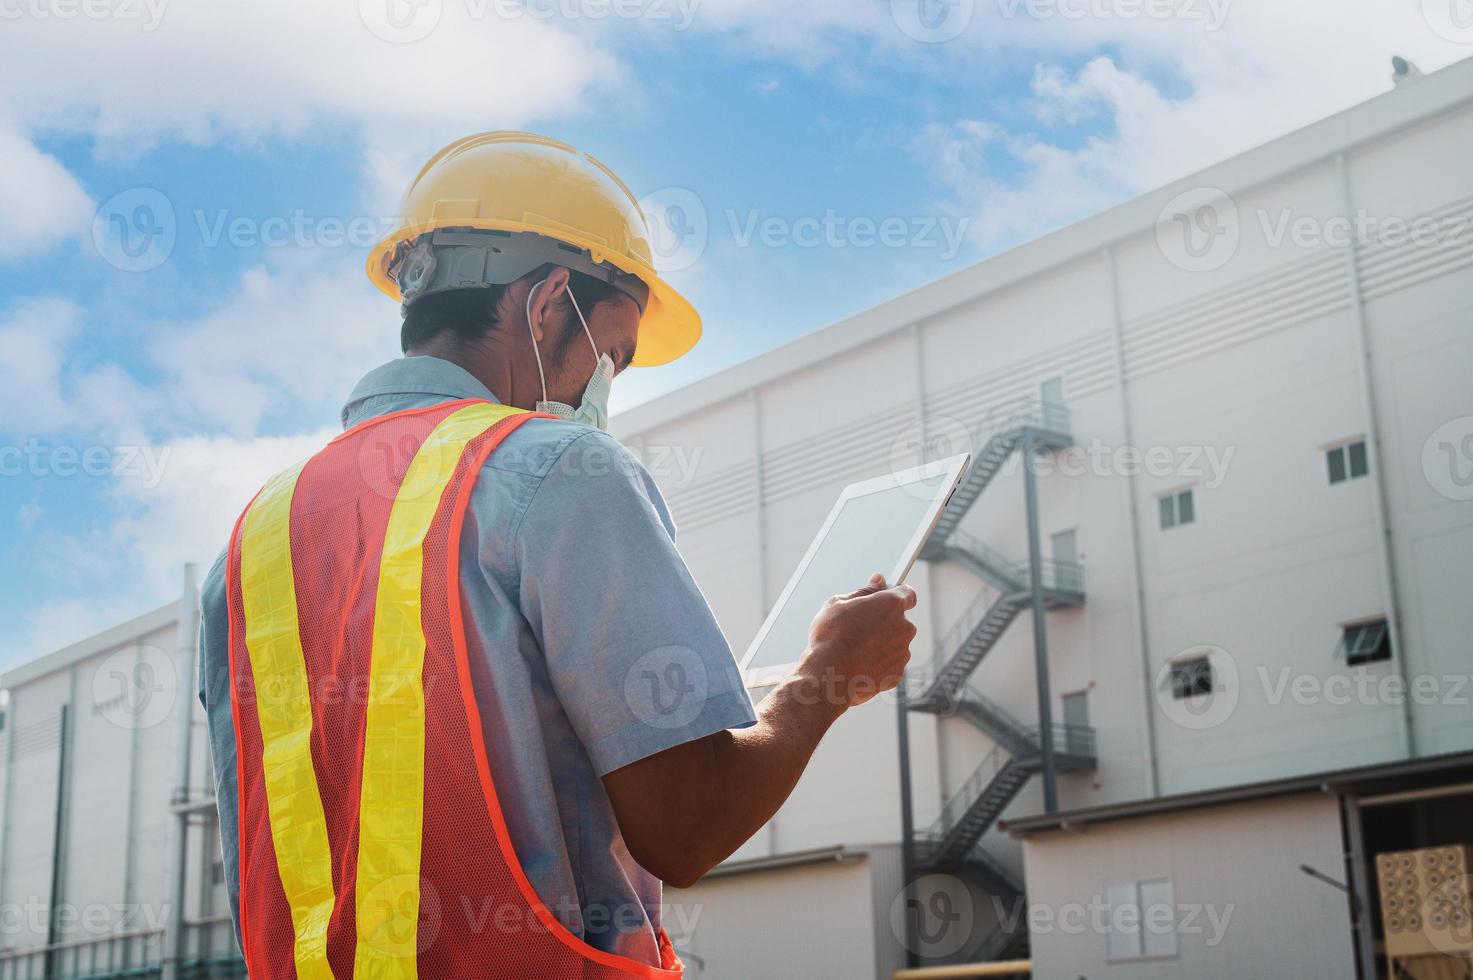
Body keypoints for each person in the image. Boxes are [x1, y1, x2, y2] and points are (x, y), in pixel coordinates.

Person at [199, 132, 918, 978]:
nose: (605, 389)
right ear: (545, 306)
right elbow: (686, 827)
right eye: (612, 355)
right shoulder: (555, 468)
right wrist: (826, 679)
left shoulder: (254, 537)